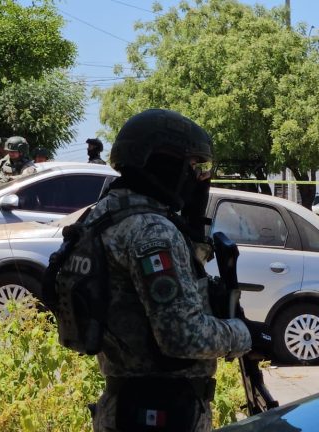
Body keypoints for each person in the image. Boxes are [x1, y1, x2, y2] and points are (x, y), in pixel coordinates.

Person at [81, 109, 252, 431]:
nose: (196, 177)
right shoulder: (151, 230)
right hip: (163, 411)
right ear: (164, 161)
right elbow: (182, 338)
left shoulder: (101, 215)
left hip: (124, 405)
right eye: (192, 166)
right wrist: (242, 334)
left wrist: (194, 224)